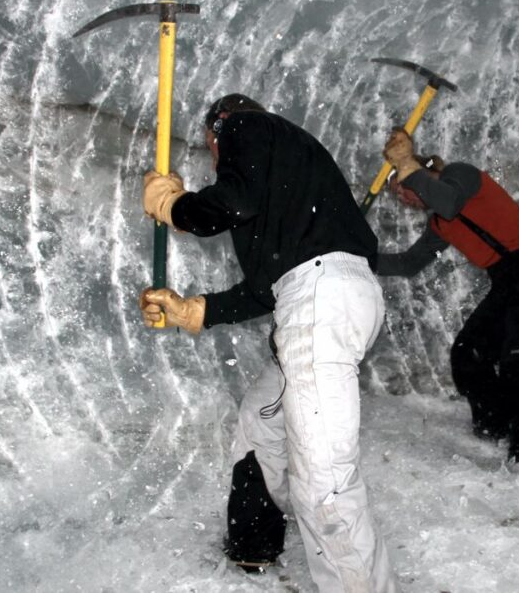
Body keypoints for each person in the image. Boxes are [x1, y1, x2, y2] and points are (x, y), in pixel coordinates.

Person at [139, 94, 398, 592]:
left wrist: (174, 206)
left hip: (320, 300)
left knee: (323, 482)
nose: (217, 157)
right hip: (321, 296)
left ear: (218, 130)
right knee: (260, 421)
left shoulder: (245, 126)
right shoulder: (287, 182)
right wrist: (195, 310)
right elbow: (265, 288)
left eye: (212, 147)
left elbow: (229, 202)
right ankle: (254, 547)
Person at [375, 127, 519, 464]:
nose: (404, 198)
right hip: (509, 283)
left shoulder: (459, 175)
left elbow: (448, 202)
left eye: (402, 187)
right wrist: (355, 256)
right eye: (398, 195)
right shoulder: (439, 225)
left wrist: (406, 165)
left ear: (422, 170)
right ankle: (497, 428)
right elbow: (409, 263)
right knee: (468, 354)